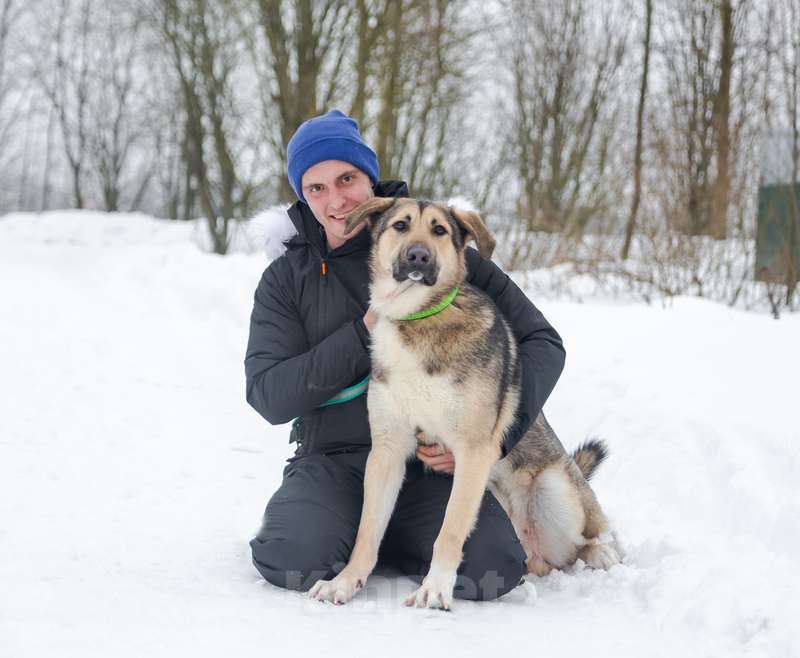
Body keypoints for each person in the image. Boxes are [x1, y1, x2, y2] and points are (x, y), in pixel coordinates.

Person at [245, 109, 566, 601]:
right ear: (302, 195)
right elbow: (268, 395)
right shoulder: (287, 279)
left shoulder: (439, 247)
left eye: (347, 179)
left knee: (492, 571)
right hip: (330, 463)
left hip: (425, 469)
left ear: (368, 178)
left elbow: (542, 341)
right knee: (290, 557)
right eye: (317, 188)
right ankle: (359, 539)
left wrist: (495, 439)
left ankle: (403, 538)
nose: (336, 200)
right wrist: (365, 331)